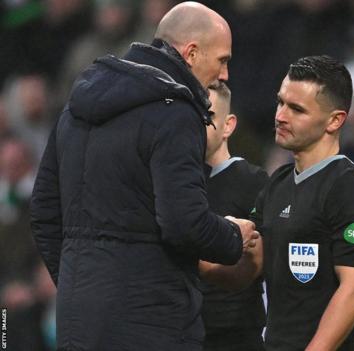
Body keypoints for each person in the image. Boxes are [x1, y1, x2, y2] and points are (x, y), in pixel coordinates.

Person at [29, 2, 259, 350]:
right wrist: (233, 236)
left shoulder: (74, 109)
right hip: (152, 324)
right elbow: (183, 222)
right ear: (192, 53)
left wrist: (81, 283)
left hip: (78, 320)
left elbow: (44, 213)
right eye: (223, 60)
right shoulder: (177, 112)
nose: (225, 74)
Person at [201, 55, 354, 350]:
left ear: (335, 120)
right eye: (280, 103)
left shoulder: (348, 187)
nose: (281, 116)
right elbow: (249, 269)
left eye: (296, 109)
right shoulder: (278, 183)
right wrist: (190, 256)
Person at [198, 82, 268, 351]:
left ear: (228, 125)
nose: (198, 124)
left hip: (236, 334)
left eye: (208, 116)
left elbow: (258, 262)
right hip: (183, 331)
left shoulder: (254, 182)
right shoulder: (174, 184)